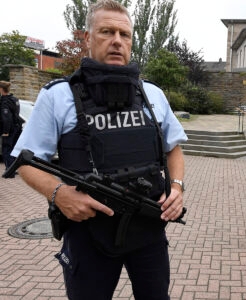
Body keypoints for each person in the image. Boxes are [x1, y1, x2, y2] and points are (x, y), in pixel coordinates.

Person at [11, 0, 188, 299]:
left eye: (125, 34)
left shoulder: (152, 94)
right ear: (88, 39)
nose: (117, 41)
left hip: (148, 228)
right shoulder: (59, 96)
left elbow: (174, 148)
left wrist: (177, 187)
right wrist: (59, 194)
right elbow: (24, 161)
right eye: (107, 32)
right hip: (88, 233)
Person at [1, 80, 23, 173]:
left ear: (1, 89)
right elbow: (16, 113)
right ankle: (14, 168)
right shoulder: (15, 99)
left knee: (7, 148)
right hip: (17, 127)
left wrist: (5, 131)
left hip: (9, 129)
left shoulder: (4, 101)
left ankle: (10, 170)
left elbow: (6, 118)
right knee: (14, 149)